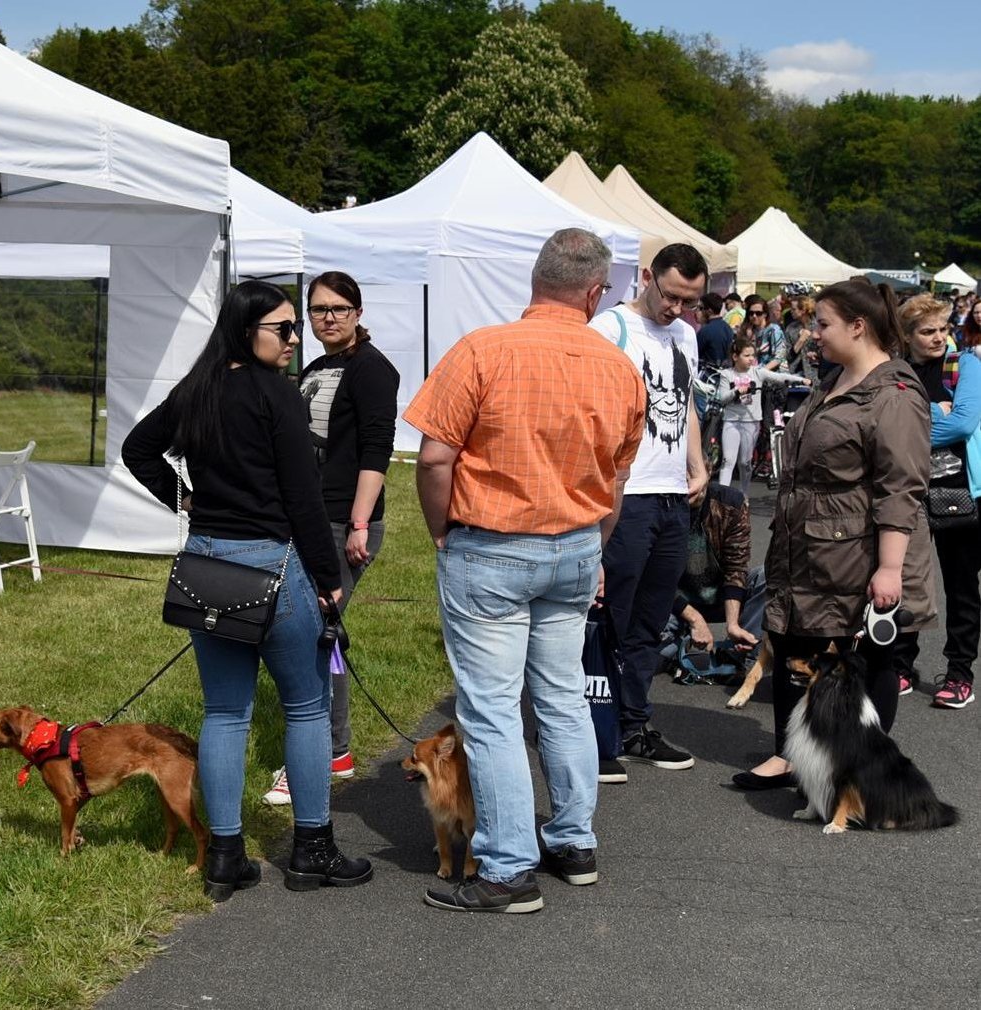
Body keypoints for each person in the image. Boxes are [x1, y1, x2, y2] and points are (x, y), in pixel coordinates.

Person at [405, 229, 645, 913]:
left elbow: (431, 459)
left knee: (489, 711)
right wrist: (592, 541)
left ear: (534, 280)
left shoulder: (482, 349)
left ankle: (508, 866)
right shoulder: (616, 366)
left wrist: (439, 530)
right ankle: (571, 840)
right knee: (562, 697)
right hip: (572, 543)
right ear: (595, 292)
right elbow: (616, 477)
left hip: (491, 543)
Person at [124, 279, 370, 902]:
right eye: (283, 328)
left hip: (208, 561)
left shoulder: (197, 389)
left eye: (295, 327)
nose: (295, 338)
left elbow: (138, 450)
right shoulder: (275, 397)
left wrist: (190, 501)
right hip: (275, 563)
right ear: (245, 329)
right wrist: (327, 579)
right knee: (308, 707)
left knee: (225, 712)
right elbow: (304, 500)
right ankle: (312, 849)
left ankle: (226, 857)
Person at [734, 281, 936, 790]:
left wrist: (890, 569)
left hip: (859, 554)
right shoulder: (835, 379)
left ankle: (862, 775)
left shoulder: (895, 393)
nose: (813, 334)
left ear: (857, 326)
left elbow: (901, 488)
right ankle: (790, 755)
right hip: (810, 548)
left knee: (865, 660)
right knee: (789, 636)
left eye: (823, 324)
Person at [261, 270, 400, 808]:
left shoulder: (372, 370)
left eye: (339, 309)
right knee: (322, 629)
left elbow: (376, 449)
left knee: (310, 633)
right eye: (318, 310)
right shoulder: (317, 366)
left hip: (346, 523)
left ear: (359, 312)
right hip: (313, 518)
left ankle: (317, 754)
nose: (328, 318)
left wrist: (360, 522)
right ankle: (335, 749)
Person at [591, 243, 711, 778]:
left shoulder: (685, 333)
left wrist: (698, 464)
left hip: (672, 496)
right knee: (609, 615)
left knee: (651, 618)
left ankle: (636, 722)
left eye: (691, 300)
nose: (678, 309)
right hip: (625, 495)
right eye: (671, 295)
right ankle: (598, 730)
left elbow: (685, 404)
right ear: (647, 277)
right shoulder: (609, 328)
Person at [898, 294, 981, 708]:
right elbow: (885, 423)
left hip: (959, 490)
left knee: (962, 586)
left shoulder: (965, 365)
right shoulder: (897, 370)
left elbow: (963, 422)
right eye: (927, 331)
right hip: (908, 487)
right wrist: (936, 410)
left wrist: (916, 422)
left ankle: (959, 673)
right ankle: (899, 663)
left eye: (942, 329)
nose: (938, 338)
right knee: (902, 579)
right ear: (907, 335)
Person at [661, 483, 765, 678]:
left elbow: (736, 567)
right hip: (674, 602)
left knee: (765, 577)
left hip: (720, 594)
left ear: (707, 473)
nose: (691, 489)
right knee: (653, 657)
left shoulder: (730, 503)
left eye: (694, 478)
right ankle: (674, 643)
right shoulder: (662, 502)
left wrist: (732, 624)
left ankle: (740, 651)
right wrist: (694, 619)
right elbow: (656, 576)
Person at [709, 336, 809, 493]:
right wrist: (736, 391)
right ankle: (723, 498)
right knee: (728, 461)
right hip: (731, 421)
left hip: (751, 422)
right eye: (746, 355)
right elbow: (722, 398)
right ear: (735, 357)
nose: (751, 359)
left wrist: (801, 380)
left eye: (752, 355)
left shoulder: (758, 373)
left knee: (744, 462)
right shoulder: (726, 375)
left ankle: (744, 494)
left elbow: (780, 377)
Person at [696, 292, 736, 367]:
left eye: (701, 308)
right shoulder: (727, 327)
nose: (698, 311)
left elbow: (695, 354)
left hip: (709, 374)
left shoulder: (706, 331)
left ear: (709, 311)